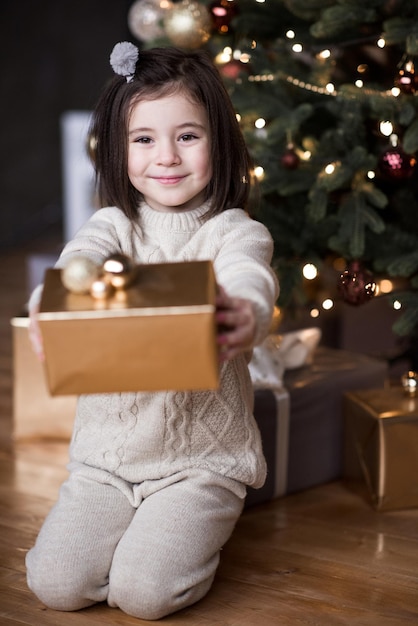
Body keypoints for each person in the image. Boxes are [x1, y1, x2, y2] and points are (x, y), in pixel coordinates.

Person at [26, 42, 279, 621]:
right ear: (119, 148)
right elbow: (76, 264)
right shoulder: (111, 226)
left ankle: (190, 528)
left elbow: (249, 275)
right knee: (56, 585)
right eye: (144, 139)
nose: (166, 156)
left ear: (220, 142)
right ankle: (133, 530)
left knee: (144, 595)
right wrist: (51, 303)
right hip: (106, 461)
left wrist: (245, 310)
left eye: (187, 136)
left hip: (200, 465)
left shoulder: (232, 231)